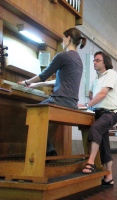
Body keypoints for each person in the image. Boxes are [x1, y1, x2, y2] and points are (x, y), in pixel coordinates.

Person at [18, 27, 86, 156]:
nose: (61, 42)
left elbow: (44, 74)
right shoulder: (78, 60)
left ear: (69, 38)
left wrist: (26, 82)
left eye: (63, 39)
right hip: (71, 103)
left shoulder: (63, 56)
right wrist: (36, 85)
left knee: (33, 115)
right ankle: (48, 151)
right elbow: (59, 81)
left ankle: (41, 155)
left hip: (60, 100)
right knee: (38, 115)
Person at [82, 51, 117, 188]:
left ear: (105, 62)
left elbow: (103, 93)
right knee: (104, 145)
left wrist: (87, 105)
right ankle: (108, 178)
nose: (94, 62)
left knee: (95, 128)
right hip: (98, 113)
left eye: (97, 60)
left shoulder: (111, 74)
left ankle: (90, 162)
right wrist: (92, 104)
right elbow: (92, 92)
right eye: (94, 60)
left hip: (110, 113)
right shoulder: (96, 79)